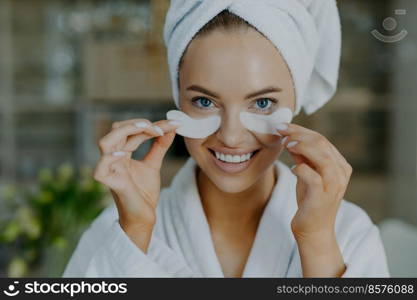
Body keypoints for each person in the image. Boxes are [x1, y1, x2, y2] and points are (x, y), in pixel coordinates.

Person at [63, 0, 390, 277]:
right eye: (204, 102)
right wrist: (135, 233)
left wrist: (317, 240)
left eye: (262, 104)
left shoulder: (348, 231)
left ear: (295, 102)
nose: (231, 137)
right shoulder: (117, 228)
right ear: (179, 99)